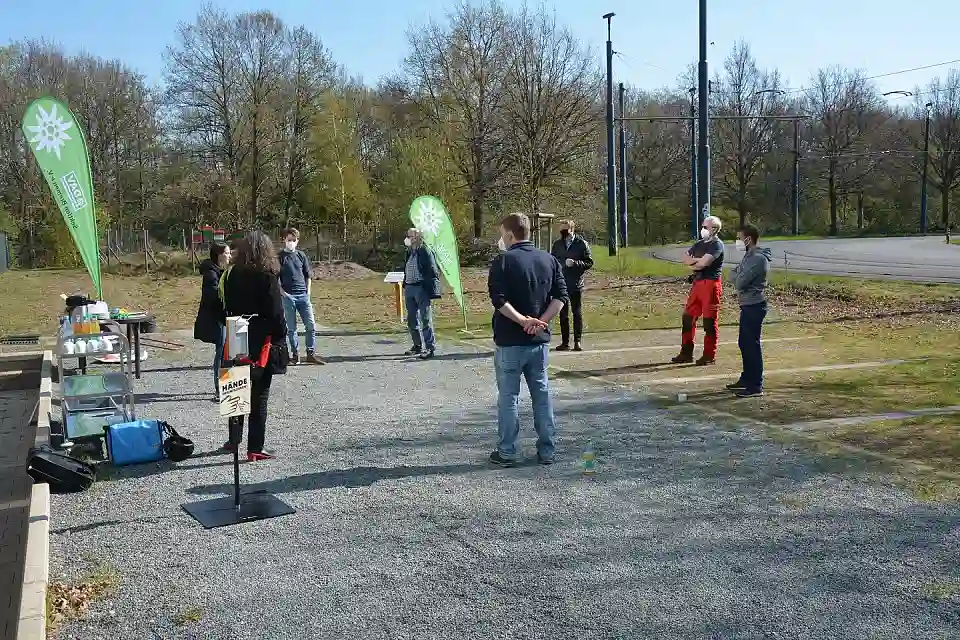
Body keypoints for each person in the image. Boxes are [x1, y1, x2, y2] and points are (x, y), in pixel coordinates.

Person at [487, 213, 568, 467]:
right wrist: (541, 321)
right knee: (541, 395)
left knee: (509, 397)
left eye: (502, 234)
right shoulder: (549, 259)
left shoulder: (502, 261)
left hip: (510, 341)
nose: (501, 239)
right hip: (539, 341)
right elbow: (561, 296)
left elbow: (499, 300)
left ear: (510, 235)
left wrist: (523, 321)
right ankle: (547, 450)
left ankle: (507, 451)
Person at [219, 231, 288, 461]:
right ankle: (255, 447)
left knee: (236, 388)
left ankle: (233, 440)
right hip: (259, 336)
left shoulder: (231, 274)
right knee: (259, 395)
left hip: (236, 330)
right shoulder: (267, 276)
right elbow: (276, 313)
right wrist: (280, 334)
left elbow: (223, 304)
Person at [672, 215, 725, 366]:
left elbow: (704, 263)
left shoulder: (717, 245)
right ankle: (686, 353)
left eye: (705, 227)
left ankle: (709, 355)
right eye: (702, 226)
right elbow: (686, 259)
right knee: (688, 318)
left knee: (709, 321)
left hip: (711, 285)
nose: (703, 230)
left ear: (714, 229)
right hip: (697, 283)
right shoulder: (699, 244)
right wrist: (697, 262)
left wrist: (695, 263)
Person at [728, 224, 772, 398]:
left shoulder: (758, 259)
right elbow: (733, 274)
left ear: (748, 239)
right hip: (746, 304)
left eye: (739, 238)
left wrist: (737, 275)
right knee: (744, 343)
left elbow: (739, 282)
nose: (737, 241)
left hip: (754, 305)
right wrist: (737, 274)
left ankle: (755, 386)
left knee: (751, 346)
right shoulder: (749, 256)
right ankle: (746, 379)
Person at [193, 242, 231, 402]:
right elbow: (213, 297)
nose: (229, 256)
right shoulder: (211, 274)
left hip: (222, 317)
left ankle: (224, 385)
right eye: (227, 253)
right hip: (216, 319)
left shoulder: (219, 271)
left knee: (225, 353)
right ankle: (219, 389)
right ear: (219, 255)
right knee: (221, 354)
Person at [279, 227, 323, 365]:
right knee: (291, 328)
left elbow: (307, 275)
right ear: (284, 240)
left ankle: (310, 353)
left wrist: (308, 292)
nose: (291, 242)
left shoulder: (301, 255)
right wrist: (284, 294)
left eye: (294, 240)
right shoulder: (280, 257)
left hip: (303, 295)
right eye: (289, 240)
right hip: (288, 296)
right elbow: (275, 278)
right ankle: (295, 355)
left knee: (310, 325)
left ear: (297, 241)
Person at [550, 219, 594, 351]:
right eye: (561, 229)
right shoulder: (557, 244)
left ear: (572, 229)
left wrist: (575, 263)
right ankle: (565, 342)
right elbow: (552, 261)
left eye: (566, 229)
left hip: (575, 283)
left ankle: (577, 341)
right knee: (563, 314)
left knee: (576, 313)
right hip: (561, 283)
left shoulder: (581, 244)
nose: (563, 232)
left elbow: (589, 262)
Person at [402, 228, 442, 359]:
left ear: (417, 237)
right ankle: (417, 345)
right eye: (408, 236)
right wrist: (405, 284)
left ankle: (430, 348)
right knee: (411, 319)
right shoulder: (409, 252)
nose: (408, 238)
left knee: (425, 319)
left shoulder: (425, 250)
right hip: (409, 287)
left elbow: (432, 269)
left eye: (411, 236)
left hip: (421, 287)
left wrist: (431, 288)